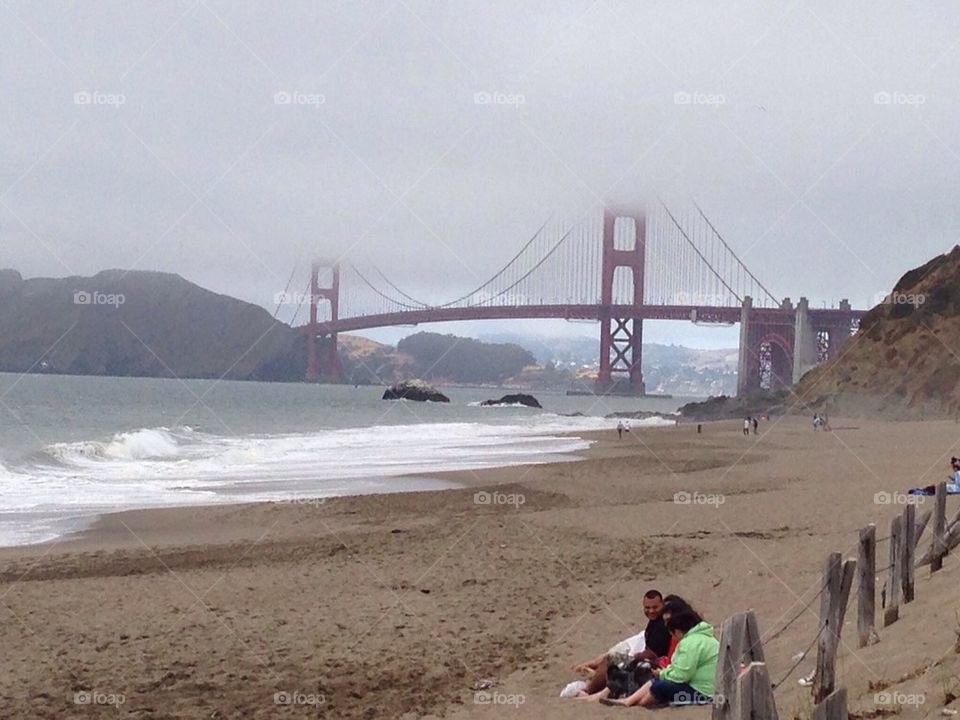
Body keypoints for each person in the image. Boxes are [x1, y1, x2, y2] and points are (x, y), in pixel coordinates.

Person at [606, 609, 719, 707]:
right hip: (710, 689)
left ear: (678, 631)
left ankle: (635, 703)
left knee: (659, 685)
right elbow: (680, 668)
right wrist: (664, 673)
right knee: (657, 682)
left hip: (702, 692)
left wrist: (662, 674)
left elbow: (682, 675)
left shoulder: (690, 643)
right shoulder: (706, 638)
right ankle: (629, 702)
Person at [571, 590, 670, 699]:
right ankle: (593, 683)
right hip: (648, 659)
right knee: (611, 658)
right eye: (647, 608)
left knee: (611, 659)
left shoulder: (662, 625)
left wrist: (637, 656)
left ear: (662, 605)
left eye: (655, 607)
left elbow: (653, 653)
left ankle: (589, 690)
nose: (651, 611)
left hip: (654, 664)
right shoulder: (656, 621)